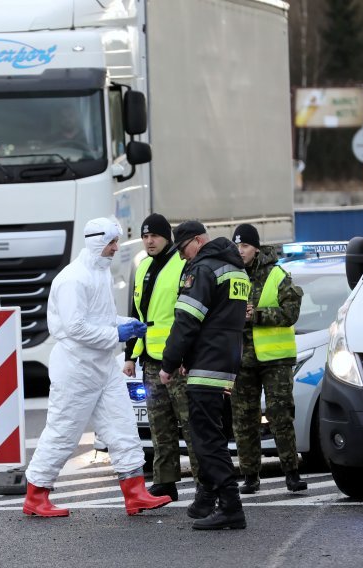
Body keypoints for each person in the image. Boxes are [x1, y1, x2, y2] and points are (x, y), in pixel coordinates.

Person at [24, 217, 173, 518]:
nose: (116, 248)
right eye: (112, 243)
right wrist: (115, 334)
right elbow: (75, 327)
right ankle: (36, 495)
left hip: (102, 366)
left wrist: (124, 324)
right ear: (96, 242)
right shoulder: (73, 279)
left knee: (122, 427)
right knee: (63, 432)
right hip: (77, 368)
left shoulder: (98, 274)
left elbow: (99, 318)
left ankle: (136, 494)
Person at [159, 221, 249, 530]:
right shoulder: (236, 269)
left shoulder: (203, 270)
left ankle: (231, 506)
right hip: (225, 365)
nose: (184, 258)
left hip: (207, 368)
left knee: (206, 440)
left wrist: (169, 363)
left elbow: (187, 321)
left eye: (184, 250)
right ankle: (206, 499)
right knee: (214, 435)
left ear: (198, 240)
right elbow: (221, 321)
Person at [123, 213, 199, 502]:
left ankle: (204, 481)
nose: (148, 241)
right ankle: (165, 481)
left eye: (153, 235)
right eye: (144, 236)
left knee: (190, 424)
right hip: (152, 360)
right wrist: (131, 356)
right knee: (160, 424)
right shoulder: (142, 267)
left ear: (167, 236)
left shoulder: (182, 264)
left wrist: (186, 354)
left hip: (179, 359)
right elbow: (137, 315)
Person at [229, 223, 307, 495]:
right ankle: (250, 476)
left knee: (280, 416)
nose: (240, 251)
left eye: (245, 246)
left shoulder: (276, 274)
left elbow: (291, 313)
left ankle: (292, 473)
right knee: (244, 420)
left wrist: (257, 315)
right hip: (242, 360)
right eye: (237, 246)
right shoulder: (230, 276)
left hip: (275, 360)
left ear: (256, 247)